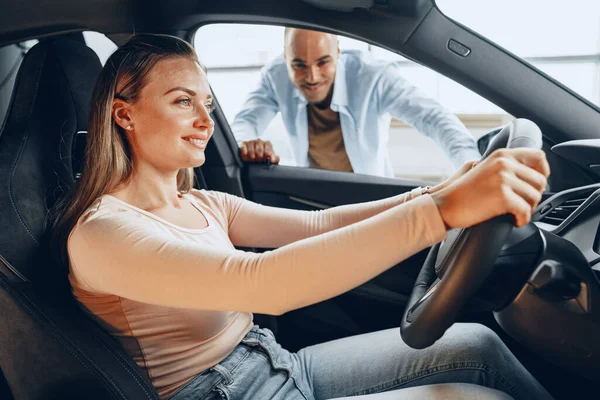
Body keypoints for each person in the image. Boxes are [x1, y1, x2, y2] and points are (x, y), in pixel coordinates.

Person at [51, 34, 553, 400]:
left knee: (478, 344)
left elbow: (322, 225)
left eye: (207, 102)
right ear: (124, 114)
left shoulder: (203, 203)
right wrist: (441, 212)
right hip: (226, 394)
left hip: (272, 361)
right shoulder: (102, 233)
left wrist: (440, 189)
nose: (206, 122)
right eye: (184, 102)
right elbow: (262, 282)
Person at [232, 28, 481, 177]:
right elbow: (245, 121)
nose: (312, 77)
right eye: (299, 65)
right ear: (285, 57)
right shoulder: (274, 75)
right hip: (311, 196)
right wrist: (245, 143)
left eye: (323, 62)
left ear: (338, 52)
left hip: (368, 195)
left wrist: (469, 164)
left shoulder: (372, 75)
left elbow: (434, 117)